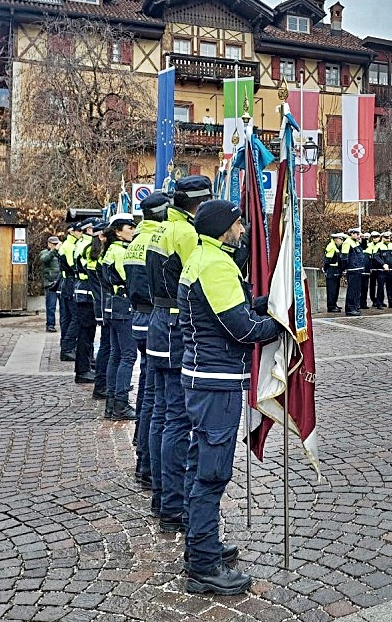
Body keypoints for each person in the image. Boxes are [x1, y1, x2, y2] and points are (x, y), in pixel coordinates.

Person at [178, 199, 283, 595]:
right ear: (224, 228)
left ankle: (200, 547)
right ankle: (204, 566)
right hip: (215, 383)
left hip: (202, 378)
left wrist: (262, 305)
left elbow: (228, 310)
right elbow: (239, 329)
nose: (242, 231)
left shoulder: (203, 256)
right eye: (238, 225)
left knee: (199, 466)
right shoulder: (217, 264)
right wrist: (280, 324)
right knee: (212, 473)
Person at [146, 175, 212, 532]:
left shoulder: (162, 228)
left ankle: (162, 495)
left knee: (160, 414)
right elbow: (199, 279)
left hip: (160, 319)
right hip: (174, 324)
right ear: (199, 204)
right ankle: (173, 504)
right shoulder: (186, 234)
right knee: (176, 418)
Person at [125, 192, 171, 490]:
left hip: (140, 319)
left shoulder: (135, 241)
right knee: (155, 398)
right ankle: (148, 467)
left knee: (147, 392)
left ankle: (143, 458)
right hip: (157, 319)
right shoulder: (160, 239)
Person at [101, 213, 138, 420]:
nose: (133, 230)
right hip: (124, 306)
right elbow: (129, 279)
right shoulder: (121, 252)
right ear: (117, 231)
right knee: (128, 356)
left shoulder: (111, 250)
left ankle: (112, 403)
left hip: (114, 306)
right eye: (129, 227)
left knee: (116, 355)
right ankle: (121, 404)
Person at [73, 218, 99, 385]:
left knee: (87, 332)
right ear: (89, 230)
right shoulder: (87, 245)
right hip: (86, 292)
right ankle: (82, 370)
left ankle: (86, 365)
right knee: (86, 332)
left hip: (84, 291)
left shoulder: (82, 242)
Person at [87, 221, 110, 400]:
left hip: (100, 304)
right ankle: (102, 385)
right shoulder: (103, 256)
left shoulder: (94, 253)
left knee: (106, 347)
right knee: (108, 348)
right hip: (105, 305)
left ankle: (102, 384)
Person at [57, 222, 83, 360]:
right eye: (79, 231)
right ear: (72, 232)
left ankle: (66, 346)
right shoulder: (70, 246)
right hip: (70, 283)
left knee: (67, 317)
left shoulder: (68, 244)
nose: (81, 233)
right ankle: (67, 347)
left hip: (67, 283)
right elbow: (74, 266)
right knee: (75, 317)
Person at [340, 228, 364, 316]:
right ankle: (350, 308)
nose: (358, 236)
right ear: (352, 234)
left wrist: (363, 239)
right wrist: (345, 269)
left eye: (358, 234)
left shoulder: (356, 242)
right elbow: (344, 257)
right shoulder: (347, 242)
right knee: (352, 290)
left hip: (358, 269)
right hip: (352, 269)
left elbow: (363, 249)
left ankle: (355, 306)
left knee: (357, 290)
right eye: (356, 234)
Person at [39, 236, 61, 332]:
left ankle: (63, 324)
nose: (56, 246)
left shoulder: (60, 252)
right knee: (51, 306)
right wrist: (53, 251)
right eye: (54, 244)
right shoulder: (45, 252)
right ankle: (50, 325)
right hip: (50, 283)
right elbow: (44, 259)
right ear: (49, 244)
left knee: (64, 307)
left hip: (60, 282)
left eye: (57, 244)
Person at [373, 231, 392, 309]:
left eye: (389, 238)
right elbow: (376, 257)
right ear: (382, 238)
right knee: (380, 287)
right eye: (386, 238)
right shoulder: (378, 246)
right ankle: (379, 303)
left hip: (390, 270)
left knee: (390, 287)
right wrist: (383, 264)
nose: (388, 239)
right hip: (381, 270)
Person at [323, 232, 344, 313]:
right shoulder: (331, 247)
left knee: (336, 289)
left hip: (336, 270)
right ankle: (331, 306)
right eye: (340, 239)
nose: (341, 241)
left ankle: (334, 304)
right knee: (332, 290)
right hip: (332, 270)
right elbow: (327, 260)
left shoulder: (336, 247)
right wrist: (327, 270)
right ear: (336, 239)